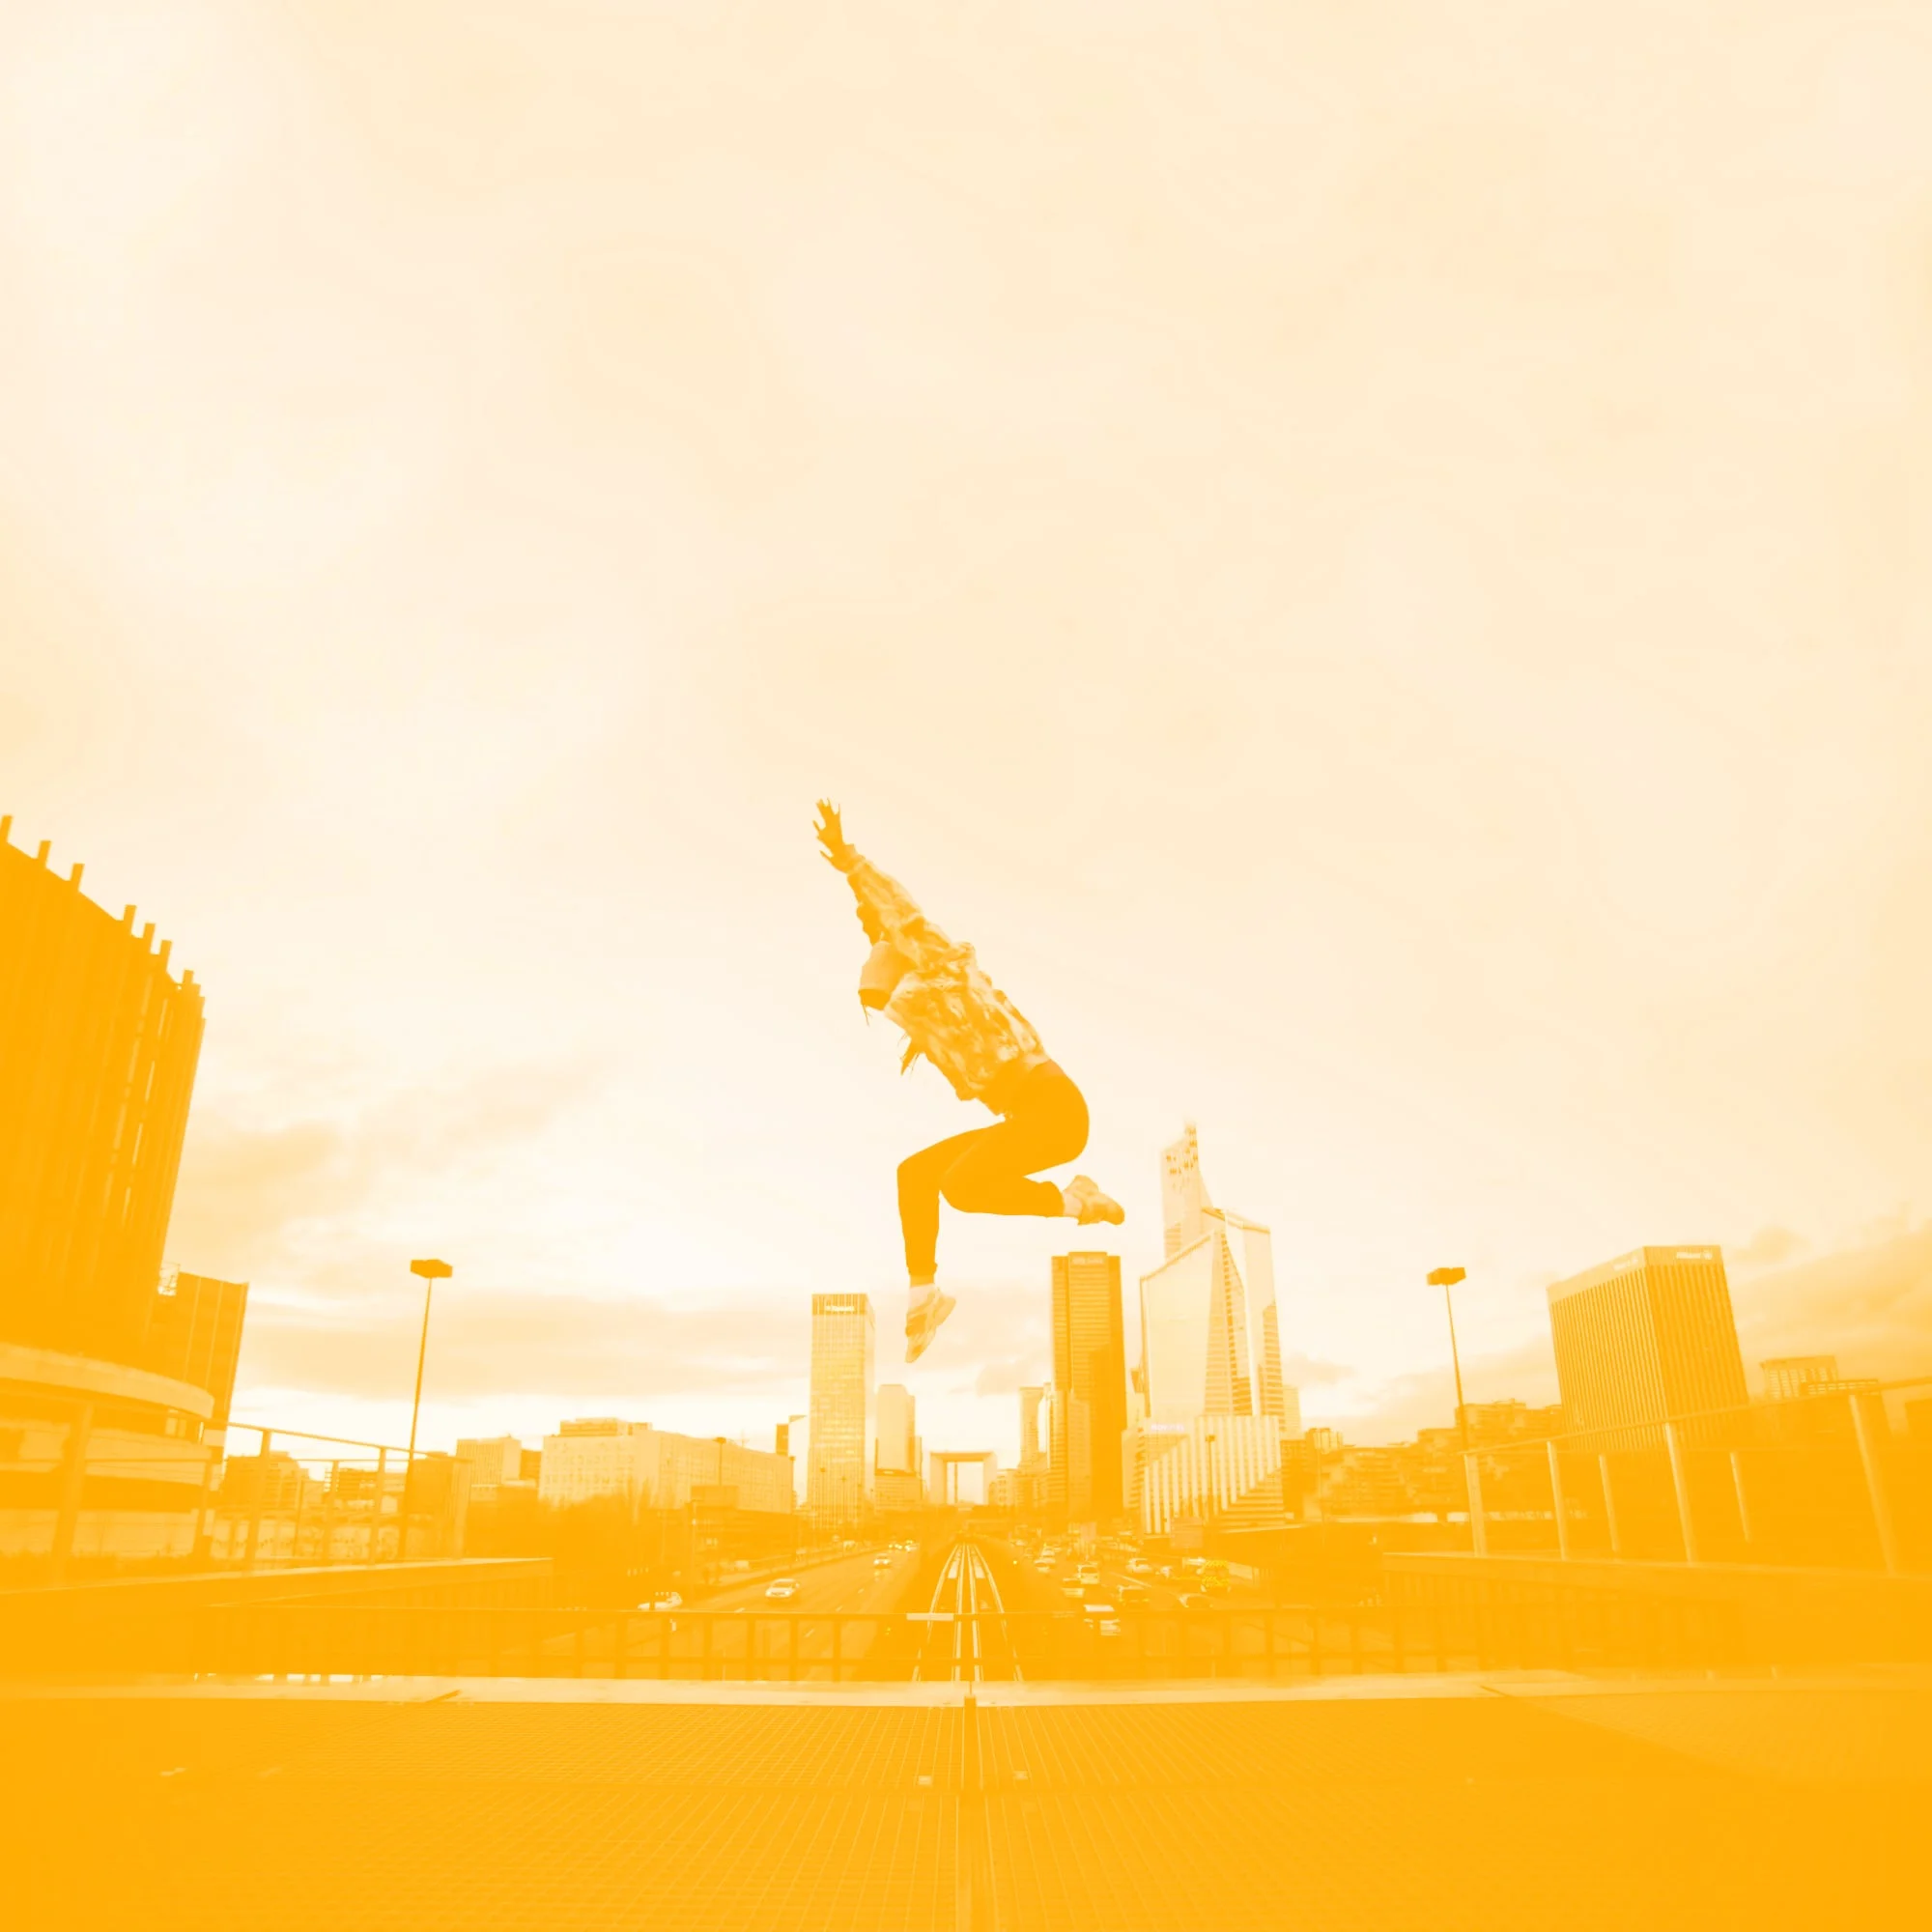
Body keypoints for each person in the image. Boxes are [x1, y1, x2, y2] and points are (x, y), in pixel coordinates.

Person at [815, 801, 1122, 1362]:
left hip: (1056, 1110)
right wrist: (862, 905)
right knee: (915, 1174)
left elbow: (894, 916)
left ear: (898, 962)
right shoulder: (923, 1008)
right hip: (1030, 1117)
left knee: (959, 1186)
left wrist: (849, 860)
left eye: (876, 984)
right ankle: (923, 1298)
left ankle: (1076, 1203)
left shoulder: (944, 967)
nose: (883, 1001)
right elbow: (875, 927)